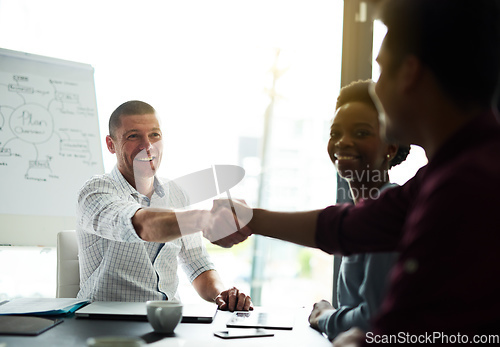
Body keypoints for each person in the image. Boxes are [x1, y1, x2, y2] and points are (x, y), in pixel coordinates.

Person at [204, 0, 500, 342]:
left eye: (381, 71)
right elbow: (346, 227)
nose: (377, 91)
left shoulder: (466, 185)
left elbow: (392, 328)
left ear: (409, 73)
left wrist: (343, 329)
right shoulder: (446, 174)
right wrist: (250, 218)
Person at [76, 100, 253, 312]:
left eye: (154, 135)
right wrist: (206, 219)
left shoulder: (177, 194)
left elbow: (197, 263)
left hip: (168, 320)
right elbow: (140, 225)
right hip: (107, 323)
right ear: (111, 144)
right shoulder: (96, 191)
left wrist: (221, 294)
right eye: (133, 136)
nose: (147, 146)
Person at [308, 80, 409, 341]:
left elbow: (373, 318)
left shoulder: (388, 211)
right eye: (335, 133)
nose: (343, 142)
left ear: (391, 147)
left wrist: (325, 316)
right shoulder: (362, 210)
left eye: (361, 133)